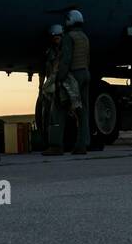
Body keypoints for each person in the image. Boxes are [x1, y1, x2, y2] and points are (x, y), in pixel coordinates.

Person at [46, 9, 91, 156]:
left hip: (73, 76)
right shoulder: (84, 37)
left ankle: (55, 145)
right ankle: (82, 145)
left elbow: (66, 60)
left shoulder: (68, 37)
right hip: (85, 73)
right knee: (82, 111)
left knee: (58, 108)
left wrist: (59, 80)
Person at [35, 23, 63, 152]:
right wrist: (41, 88)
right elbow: (42, 70)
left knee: (54, 116)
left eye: (58, 37)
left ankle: (55, 143)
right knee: (45, 115)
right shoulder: (49, 52)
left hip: (59, 85)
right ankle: (48, 142)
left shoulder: (64, 52)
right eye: (54, 37)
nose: (56, 39)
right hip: (50, 86)